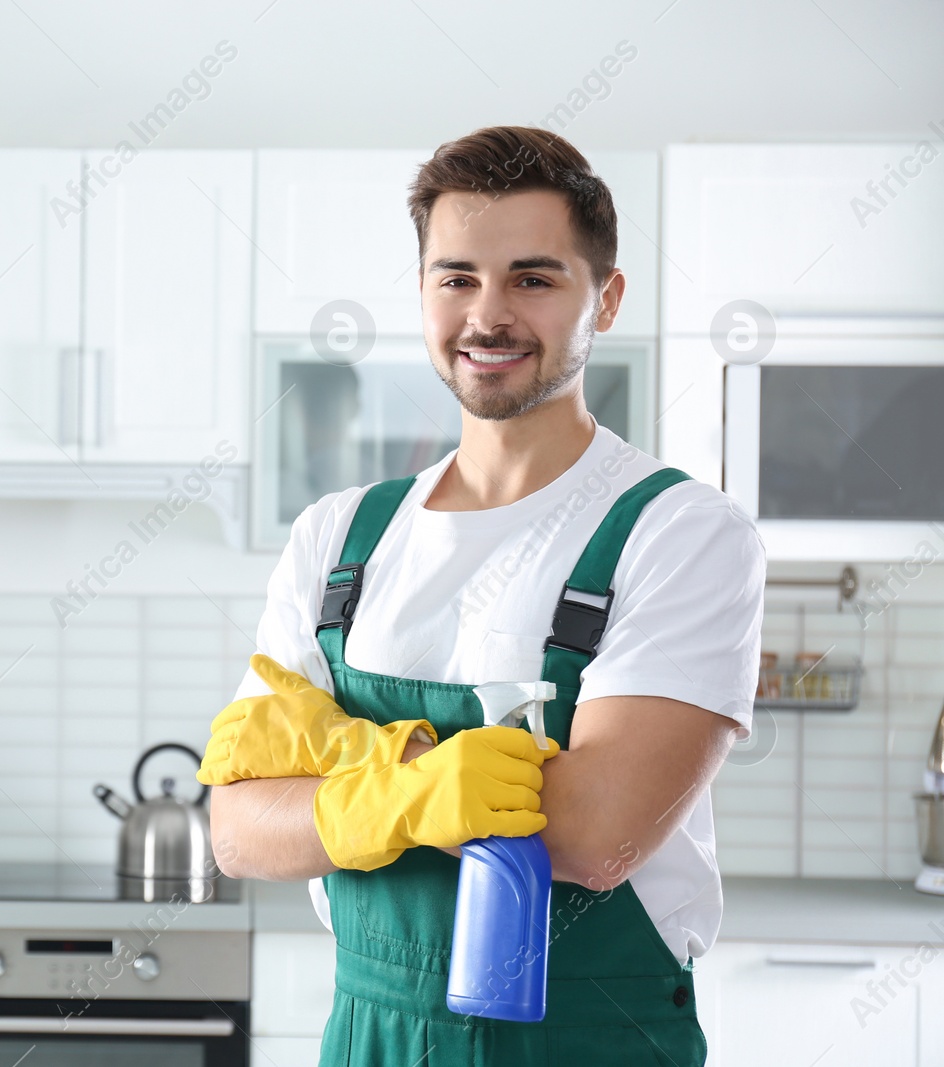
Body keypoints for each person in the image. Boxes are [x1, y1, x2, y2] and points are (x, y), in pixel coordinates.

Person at [198, 125, 765, 1065]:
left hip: (585, 1039)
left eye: (533, 279)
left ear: (606, 299)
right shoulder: (338, 539)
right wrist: (413, 793)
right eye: (456, 277)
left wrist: (338, 774)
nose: (487, 315)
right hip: (369, 1032)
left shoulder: (681, 533)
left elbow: (593, 837)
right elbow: (239, 828)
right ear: (423, 291)